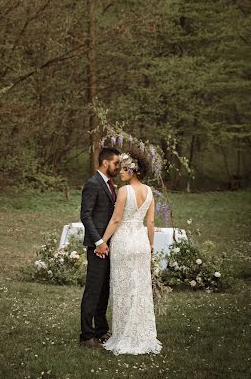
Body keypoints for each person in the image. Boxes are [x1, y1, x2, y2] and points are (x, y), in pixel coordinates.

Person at [97, 148, 162, 355]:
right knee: (140, 290)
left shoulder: (125, 191)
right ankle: (141, 335)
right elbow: (150, 221)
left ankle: (125, 334)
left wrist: (102, 241)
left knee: (124, 289)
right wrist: (151, 245)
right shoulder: (150, 192)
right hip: (141, 242)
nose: (121, 172)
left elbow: (116, 220)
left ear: (133, 170)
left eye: (124, 169)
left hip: (124, 243)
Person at [79, 147, 120, 349]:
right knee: (93, 291)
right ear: (105, 163)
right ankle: (86, 336)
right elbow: (85, 215)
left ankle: (101, 331)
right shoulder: (93, 184)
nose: (118, 167)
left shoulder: (111, 185)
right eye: (116, 163)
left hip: (109, 245)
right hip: (97, 247)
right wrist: (99, 242)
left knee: (104, 291)